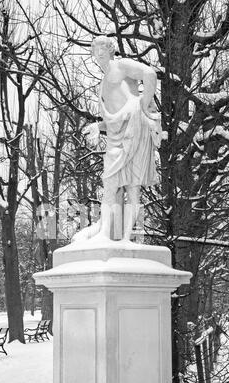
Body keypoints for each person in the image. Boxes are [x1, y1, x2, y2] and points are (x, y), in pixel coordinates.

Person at [73, 35, 161, 243]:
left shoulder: (121, 66)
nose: (100, 51)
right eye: (96, 48)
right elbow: (114, 119)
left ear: (112, 49)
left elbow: (149, 74)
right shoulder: (103, 83)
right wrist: (98, 126)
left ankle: (124, 238)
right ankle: (105, 233)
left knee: (131, 186)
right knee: (112, 184)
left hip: (134, 130)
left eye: (104, 46)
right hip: (117, 136)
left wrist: (143, 106)